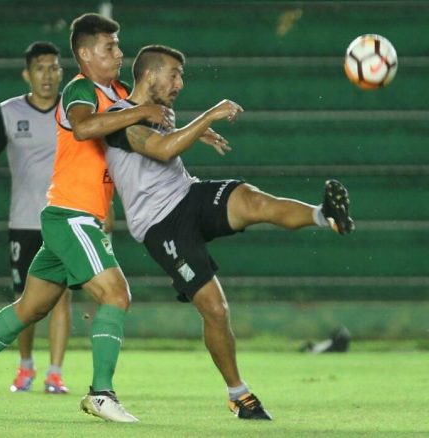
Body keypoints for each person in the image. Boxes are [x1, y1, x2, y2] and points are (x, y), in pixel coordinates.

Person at [0, 13, 172, 422]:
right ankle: (101, 393)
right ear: (84, 53)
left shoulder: (117, 91)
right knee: (116, 295)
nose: (119, 53)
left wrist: (185, 132)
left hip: (77, 216)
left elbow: (140, 130)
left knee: (29, 308)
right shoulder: (79, 89)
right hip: (72, 214)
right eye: (109, 47)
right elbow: (84, 129)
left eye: (118, 46)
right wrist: (140, 113)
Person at [103, 45, 355, 420]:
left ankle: (325, 215)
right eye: (173, 74)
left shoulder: (159, 113)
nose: (179, 83)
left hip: (188, 195)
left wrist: (193, 131)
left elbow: (167, 140)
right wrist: (209, 117)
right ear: (149, 75)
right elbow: (158, 149)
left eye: (181, 76)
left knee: (251, 199)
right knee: (215, 309)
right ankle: (239, 395)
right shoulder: (120, 118)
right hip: (161, 225)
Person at [0, 41, 72, 395]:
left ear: (60, 72)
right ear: (27, 74)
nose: (47, 75)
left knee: (63, 297)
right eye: (40, 68)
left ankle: (55, 374)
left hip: (64, 217)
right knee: (26, 300)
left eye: (53, 68)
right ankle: (25, 368)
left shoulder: (73, 110)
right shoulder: (9, 111)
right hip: (23, 220)